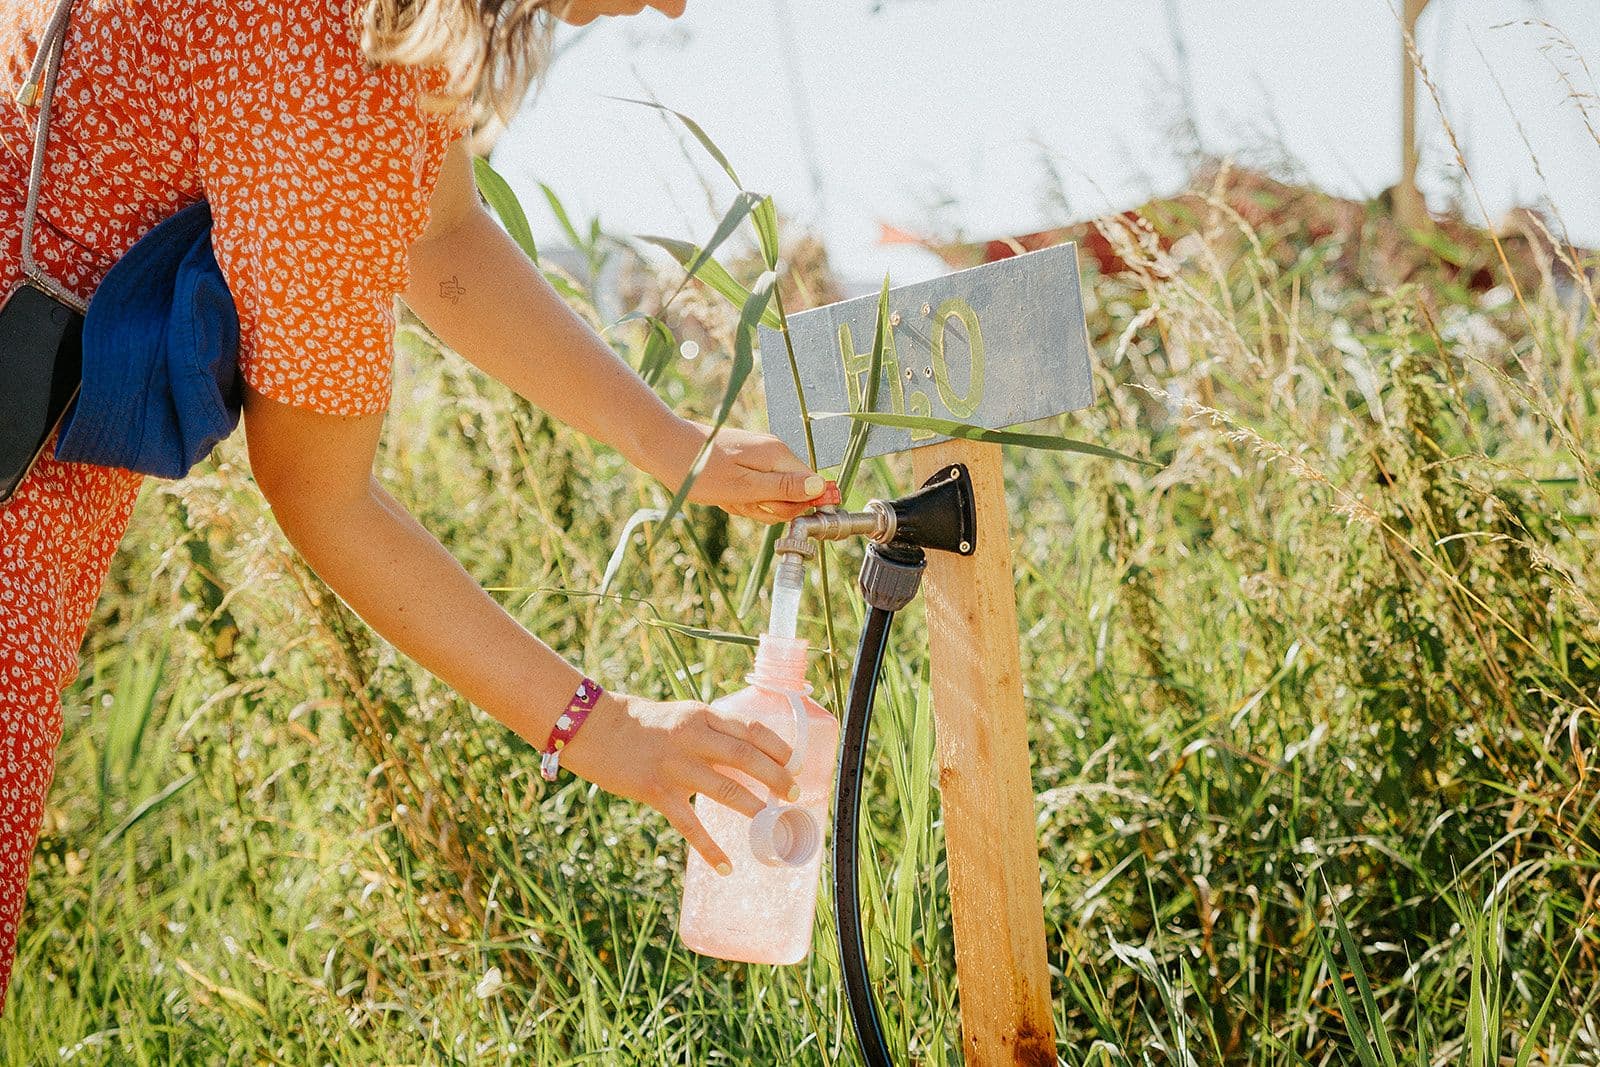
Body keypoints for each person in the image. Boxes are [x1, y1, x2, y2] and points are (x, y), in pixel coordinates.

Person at [0, 0, 823, 1007]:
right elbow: (324, 496)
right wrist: (610, 731)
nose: (675, 6)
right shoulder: (335, 66)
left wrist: (666, 439)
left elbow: (442, 236)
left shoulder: (375, 32)